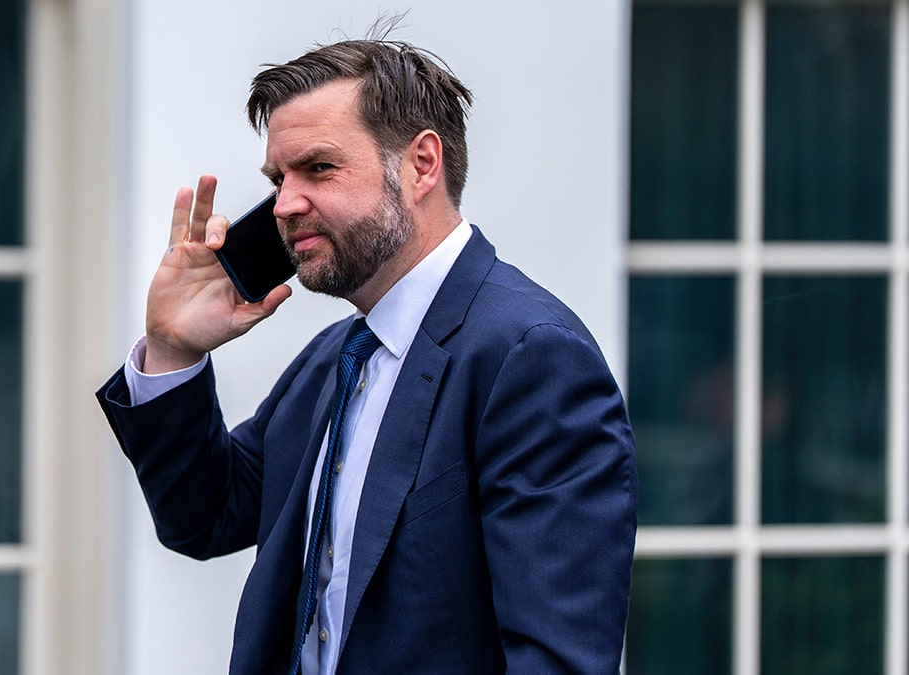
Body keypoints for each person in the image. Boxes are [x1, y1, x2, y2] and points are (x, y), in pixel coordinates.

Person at [97, 29, 637, 675]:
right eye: (278, 178)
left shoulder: (531, 359)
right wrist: (173, 349)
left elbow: (558, 661)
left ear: (421, 165)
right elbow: (204, 517)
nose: (285, 204)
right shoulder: (337, 357)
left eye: (319, 168)